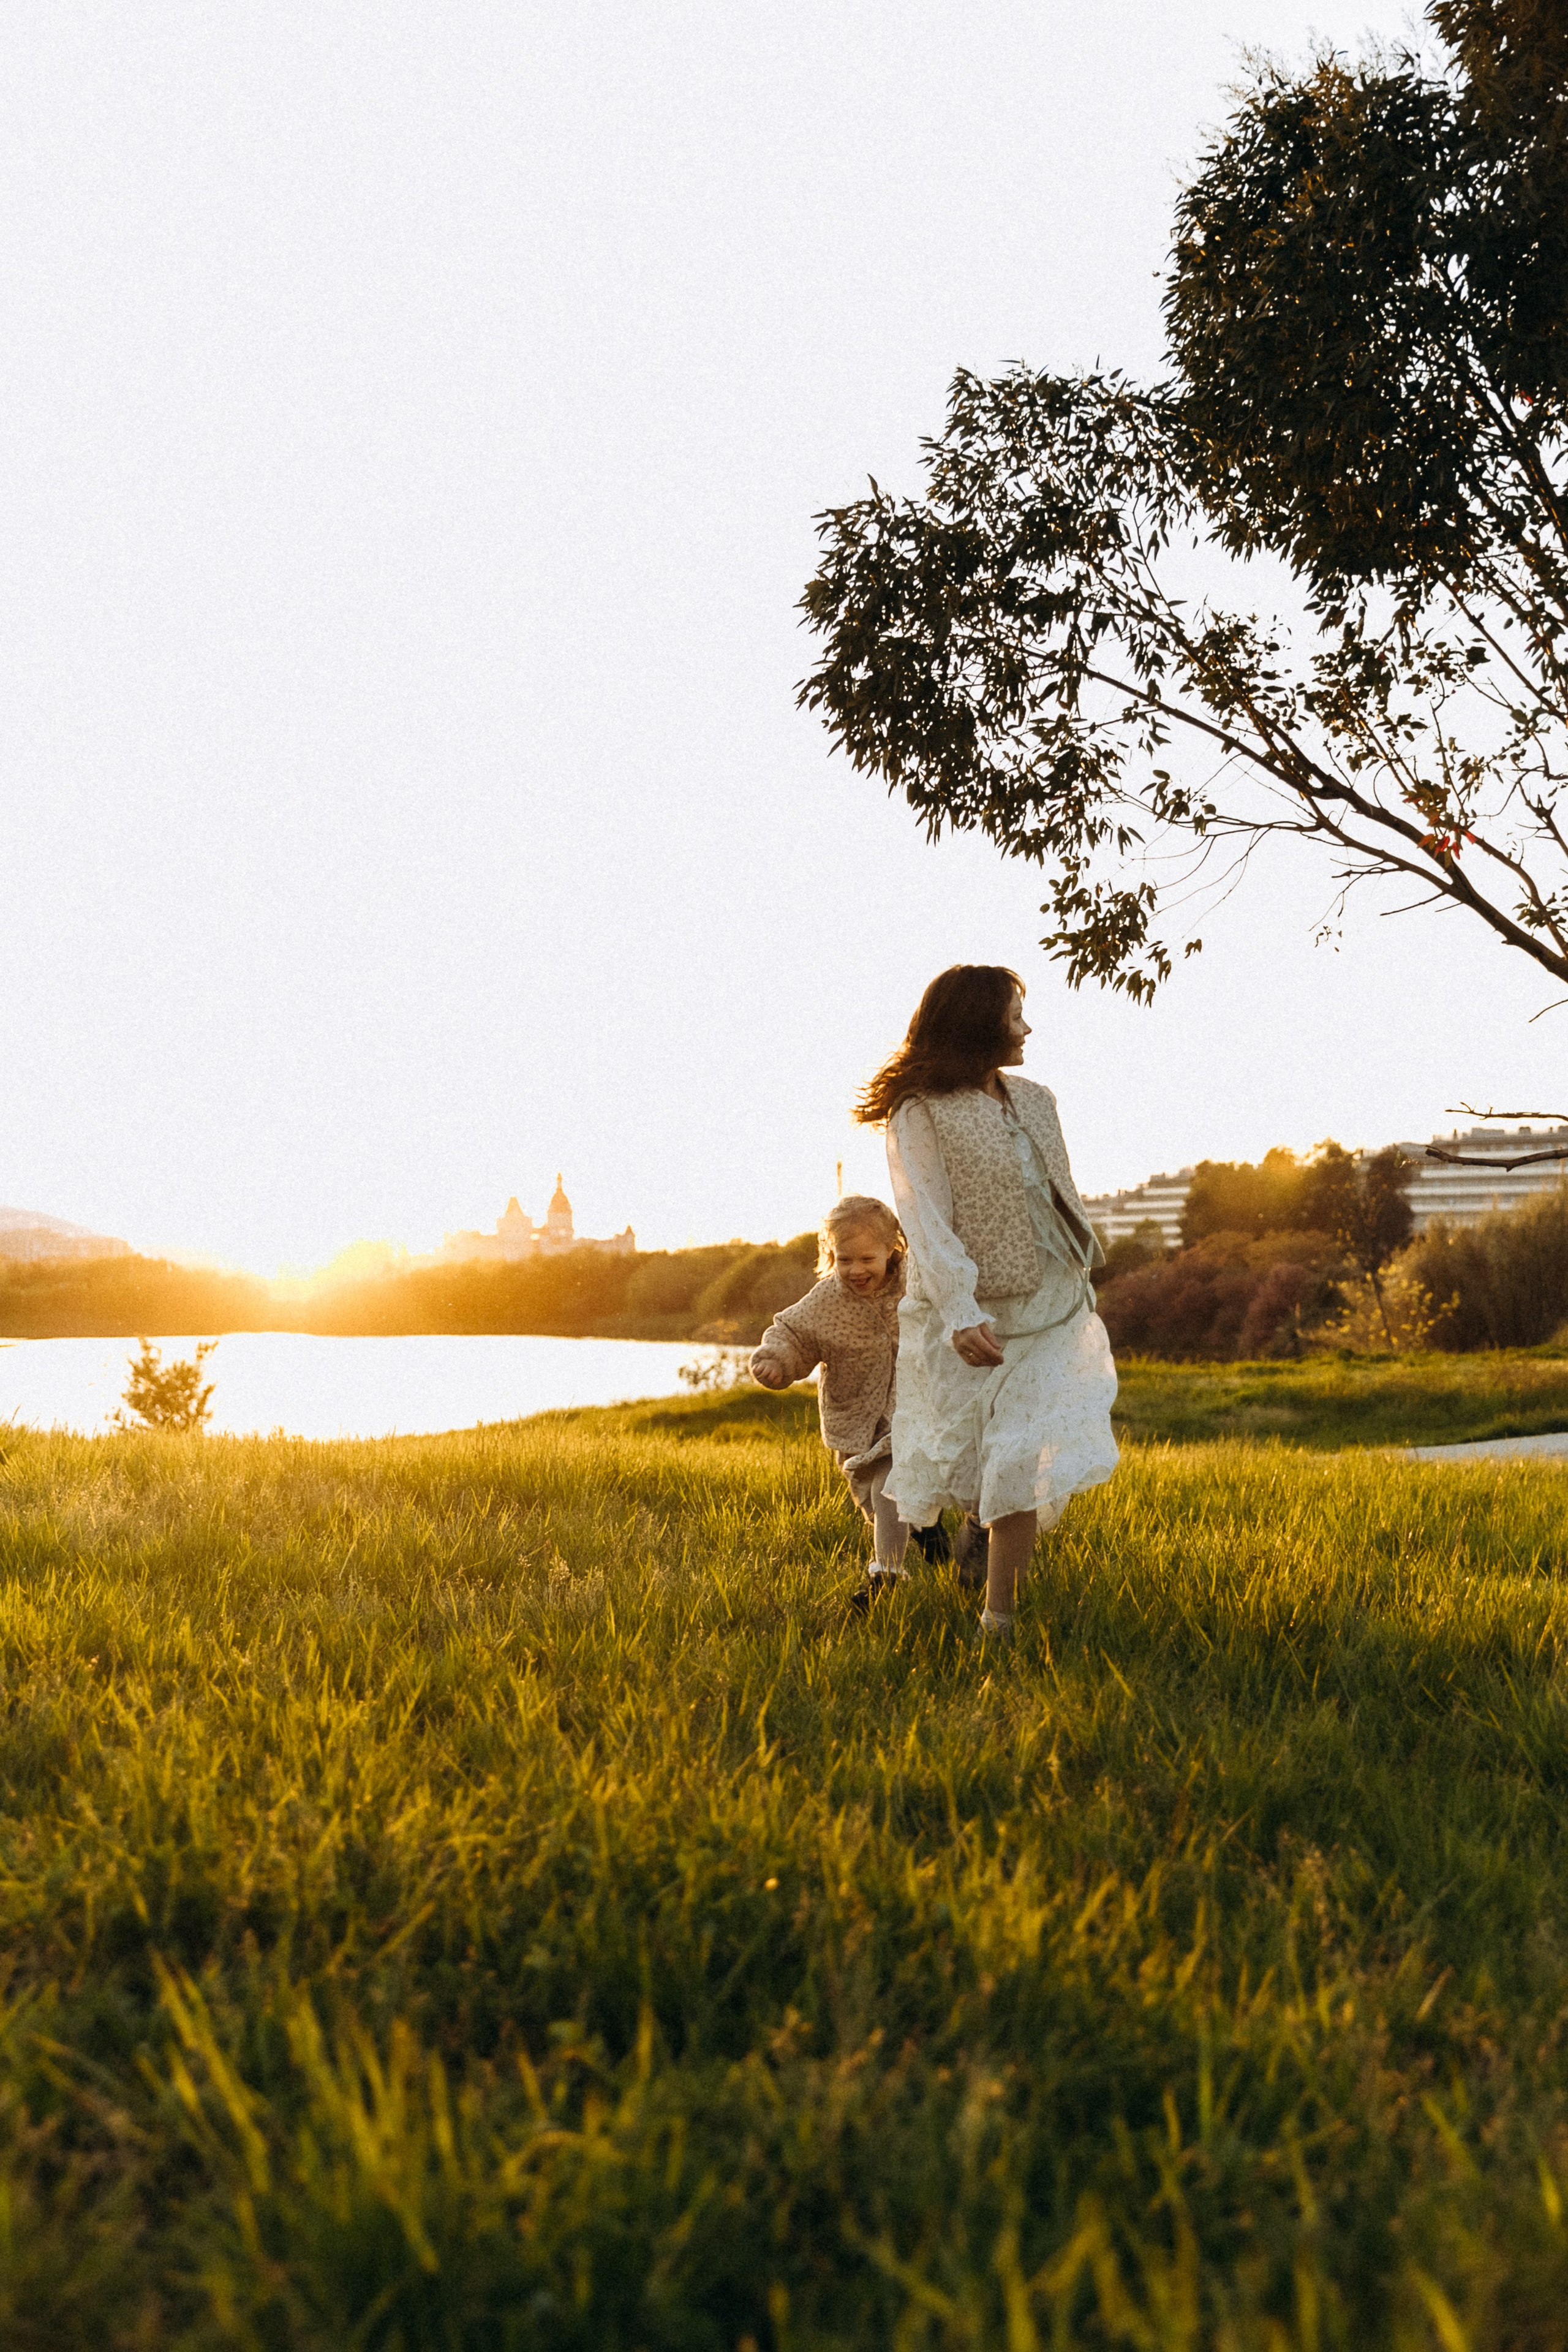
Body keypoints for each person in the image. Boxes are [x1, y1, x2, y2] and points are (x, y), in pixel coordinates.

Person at [857, 965, 1118, 1640]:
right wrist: (960, 1311)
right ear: (977, 1023)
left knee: (1019, 1456)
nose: (1027, 1028)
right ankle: (970, 1531)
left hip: (1051, 1305)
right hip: (969, 1310)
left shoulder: (1036, 1097)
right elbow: (926, 1219)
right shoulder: (919, 1111)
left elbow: (1053, 1188)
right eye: (1013, 1016)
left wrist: (1083, 1254)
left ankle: (996, 1619)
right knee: (980, 1460)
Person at [750, 1195, 916, 1612]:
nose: (856, 1271)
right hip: (854, 1419)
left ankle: (886, 1583)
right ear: (831, 1256)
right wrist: (776, 1362)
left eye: (867, 1259)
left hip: (909, 1410)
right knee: (874, 1503)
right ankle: (920, 1530)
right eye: (844, 1260)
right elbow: (793, 1334)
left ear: (892, 1249)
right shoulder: (828, 1299)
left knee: (889, 1486)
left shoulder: (913, 1283)